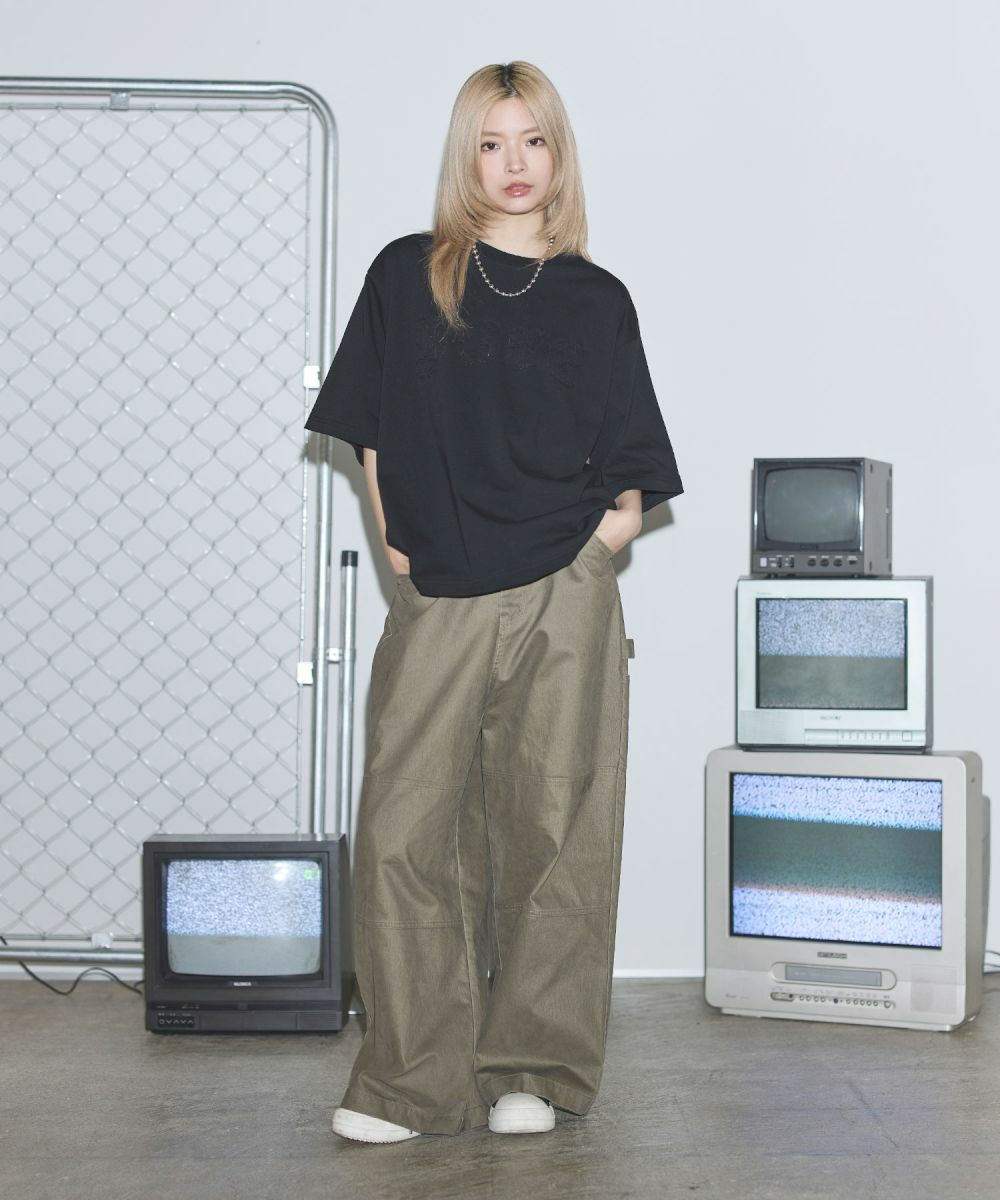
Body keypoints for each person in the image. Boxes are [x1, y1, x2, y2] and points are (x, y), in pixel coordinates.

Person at [304, 60, 683, 1143]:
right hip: (443, 593)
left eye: (533, 140)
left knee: (555, 831)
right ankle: (410, 1082)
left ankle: (534, 1070)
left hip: (565, 594)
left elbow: (634, 469)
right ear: (465, 156)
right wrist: (396, 540)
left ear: (558, 154)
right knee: (405, 830)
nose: (514, 164)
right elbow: (368, 431)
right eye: (490, 142)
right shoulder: (405, 274)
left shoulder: (598, 300)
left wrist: (599, 547)